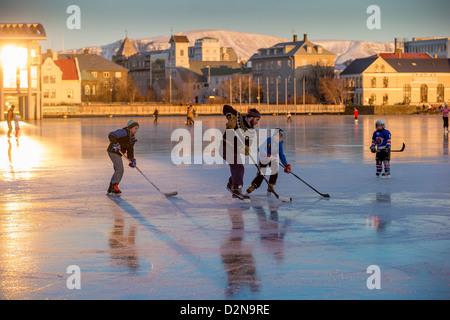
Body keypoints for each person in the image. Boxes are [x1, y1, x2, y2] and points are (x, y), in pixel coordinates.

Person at [222, 105, 261, 200]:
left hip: (235, 149)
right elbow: (226, 107)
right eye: (257, 119)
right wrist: (229, 117)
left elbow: (247, 144)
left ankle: (232, 183)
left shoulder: (251, 131)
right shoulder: (239, 116)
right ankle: (237, 190)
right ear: (251, 117)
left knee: (240, 169)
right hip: (226, 146)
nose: (257, 122)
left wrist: (246, 149)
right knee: (238, 167)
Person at [246, 128, 291, 196]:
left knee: (275, 170)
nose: (277, 138)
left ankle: (271, 185)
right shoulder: (269, 140)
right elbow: (260, 149)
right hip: (264, 158)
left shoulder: (280, 143)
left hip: (272, 159)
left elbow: (281, 154)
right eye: (276, 136)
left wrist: (286, 165)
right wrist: (268, 155)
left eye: (279, 136)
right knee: (262, 173)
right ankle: (254, 185)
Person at [106, 120, 139, 196]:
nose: (136, 130)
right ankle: (114, 186)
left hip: (118, 153)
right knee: (120, 169)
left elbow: (130, 149)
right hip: (113, 152)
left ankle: (112, 187)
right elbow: (111, 135)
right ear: (130, 128)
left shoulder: (132, 138)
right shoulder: (123, 132)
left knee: (117, 170)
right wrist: (115, 143)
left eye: (137, 128)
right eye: (135, 128)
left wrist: (132, 160)